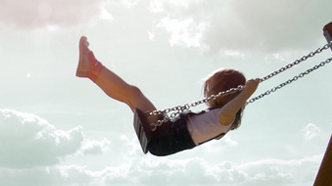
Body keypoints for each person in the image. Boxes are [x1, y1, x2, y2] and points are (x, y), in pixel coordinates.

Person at [76, 36, 260, 156]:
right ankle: (91, 72)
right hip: (166, 133)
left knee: (133, 93)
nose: (208, 95)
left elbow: (228, 113)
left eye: (211, 91)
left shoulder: (225, 118)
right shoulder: (220, 120)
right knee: (129, 96)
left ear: (225, 91)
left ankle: (93, 66)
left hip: (166, 137)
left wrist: (246, 93)